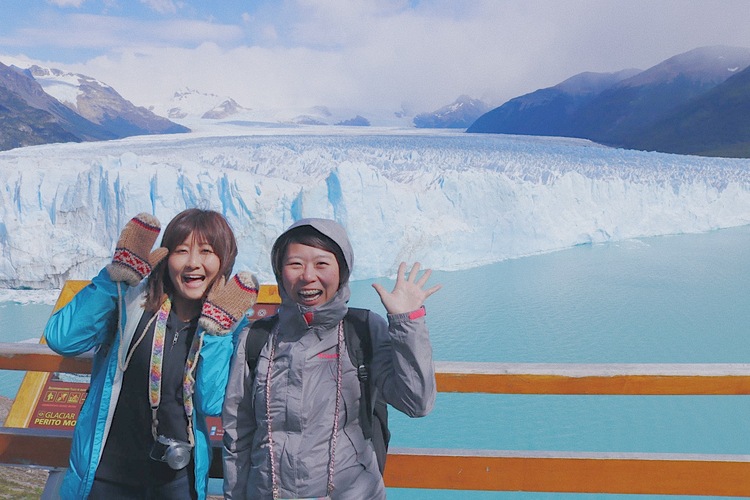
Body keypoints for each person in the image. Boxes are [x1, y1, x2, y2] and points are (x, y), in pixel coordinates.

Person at [45, 209, 259, 499]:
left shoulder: (228, 325)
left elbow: (212, 402)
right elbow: (63, 339)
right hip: (107, 474)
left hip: (176, 479)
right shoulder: (133, 302)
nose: (193, 263)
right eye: (182, 250)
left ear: (224, 259)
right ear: (166, 256)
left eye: (206, 251)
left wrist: (217, 332)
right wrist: (116, 278)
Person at [222, 218, 441, 499]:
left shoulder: (362, 330)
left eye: (322, 264)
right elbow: (237, 434)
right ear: (280, 272)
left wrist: (406, 322)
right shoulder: (256, 339)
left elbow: (417, 402)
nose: (308, 276)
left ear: (342, 271)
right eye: (295, 264)